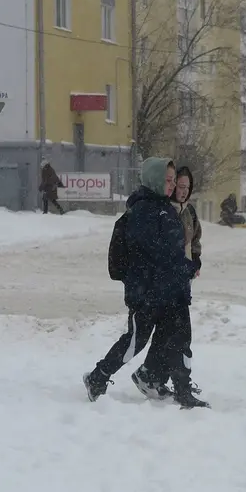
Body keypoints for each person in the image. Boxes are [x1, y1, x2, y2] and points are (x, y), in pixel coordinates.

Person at [82, 157, 208, 408]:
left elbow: (171, 252)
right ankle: (98, 377)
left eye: (174, 181)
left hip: (168, 290)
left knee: (178, 336)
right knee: (135, 340)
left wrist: (186, 268)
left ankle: (174, 386)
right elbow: (158, 254)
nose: (172, 186)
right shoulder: (145, 210)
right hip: (148, 291)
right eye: (168, 180)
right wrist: (186, 267)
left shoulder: (162, 207)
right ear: (154, 179)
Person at [129, 165, 203, 400]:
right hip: (165, 282)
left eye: (187, 187)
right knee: (177, 333)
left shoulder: (188, 211)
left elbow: (194, 240)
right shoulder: (163, 210)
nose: (183, 191)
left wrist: (196, 262)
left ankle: (151, 374)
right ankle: (176, 385)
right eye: (179, 186)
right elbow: (163, 249)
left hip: (181, 279)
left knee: (168, 332)